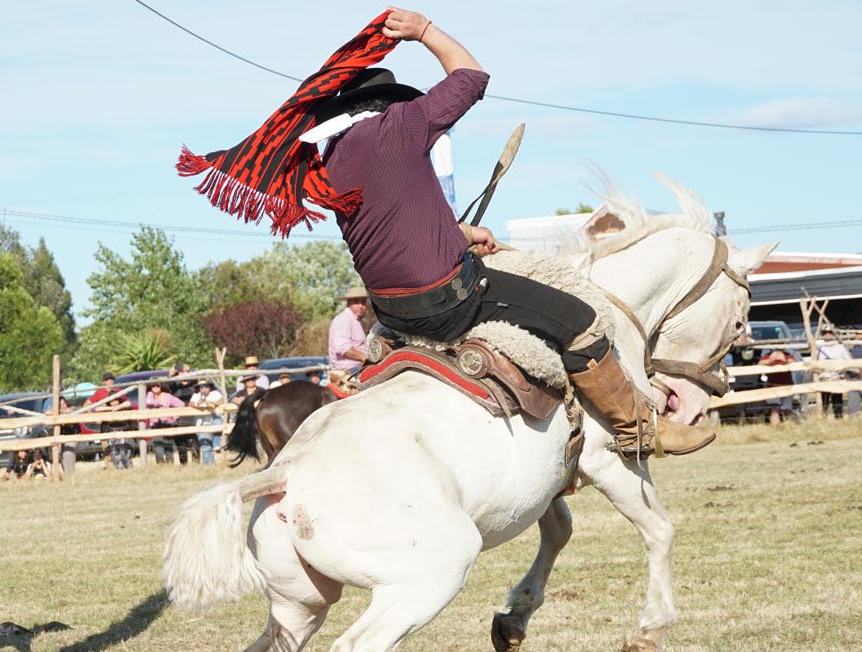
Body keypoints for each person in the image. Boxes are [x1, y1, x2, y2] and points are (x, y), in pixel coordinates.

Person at [185, 8, 713, 457]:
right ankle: (640, 431)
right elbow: (471, 76)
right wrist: (424, 30)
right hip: (447, 301)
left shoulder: (330, 161)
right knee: (580, 319)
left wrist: (460, 234)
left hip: (391, 312)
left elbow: (390, 230)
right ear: (390, 104)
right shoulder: (400, 125)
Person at [86, 373, 135, 470]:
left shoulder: (118, 391)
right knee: (107, 447)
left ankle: (125, 465)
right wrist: (94, 416)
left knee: (123, 448)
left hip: (120, 425)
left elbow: (128, 403)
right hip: (106, 425)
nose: (110, 382)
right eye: (107, 380)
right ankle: (110, 468)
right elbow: (88, 404)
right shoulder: (99, 392)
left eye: (111, 380)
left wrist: (117, 407)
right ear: (103, 382)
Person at [328, 286, 371, 372]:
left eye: (363, 302)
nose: (360, 306)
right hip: (349, 370)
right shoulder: (344, 319)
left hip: (355, 368)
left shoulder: (354, 320)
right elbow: (342, 348)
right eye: (356, 302)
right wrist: (364, 357)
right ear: (348, 303)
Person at [144, 382, 187, 463]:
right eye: (153, 386)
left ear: (161, 386)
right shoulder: (149, 395)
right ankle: (161, 465)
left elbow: (181, 404)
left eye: (157, 385)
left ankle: (170, 465)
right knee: (158, 447)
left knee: (168, 446)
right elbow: (149, 402)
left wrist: (174, 417)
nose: (155, 387)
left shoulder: (167, 396)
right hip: (155, 424)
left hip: (167, 423)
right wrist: (160, 404)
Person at [814, 328, 851, 417]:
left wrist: (842, 370)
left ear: (833, 334)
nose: (827, 334)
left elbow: (849, 361)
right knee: (824, 402)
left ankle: (838, 418)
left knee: (837, 401)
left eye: (830, 333)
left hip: (837, 378)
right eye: (825, 333)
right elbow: (814, 363)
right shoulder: (819, 348)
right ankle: (823, 417)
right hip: (824, 378)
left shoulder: (840, 347)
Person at [189, 380, 226, 464]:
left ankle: (217, 444)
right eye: (202, 387)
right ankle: (208, 466)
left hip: (213, 421)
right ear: (199, 388)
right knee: (205, 446)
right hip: (201, 423)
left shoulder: (215, 393)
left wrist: (211, 403)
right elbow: (191, 403)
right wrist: (198, 404)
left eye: (206, 386)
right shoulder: (196, 395)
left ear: (210, 387)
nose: (204, 389)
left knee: (218, 423)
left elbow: (222, 400)